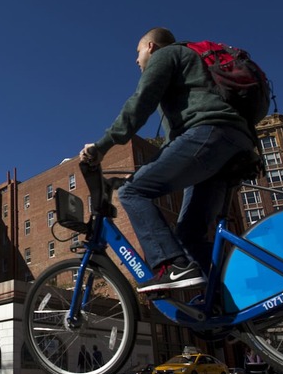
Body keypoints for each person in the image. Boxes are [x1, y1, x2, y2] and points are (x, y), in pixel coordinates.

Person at [79, 27, 256, 292]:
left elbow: (140, 103)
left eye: (138, 52)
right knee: (189, 234)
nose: (136, 60)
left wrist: (101, 147)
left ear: (151, 47)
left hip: (210, 133)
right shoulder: (195, 69)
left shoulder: (168, 54)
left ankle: (171, 265)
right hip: (236, 142)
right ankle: (224, 304)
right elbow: (176, 144)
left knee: (132, 191)